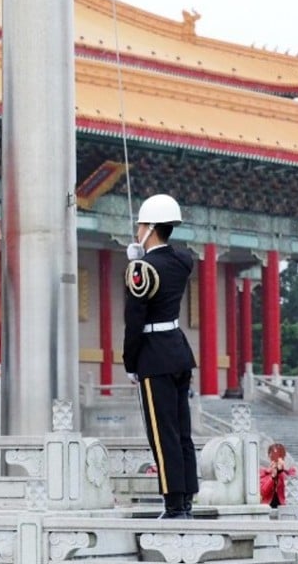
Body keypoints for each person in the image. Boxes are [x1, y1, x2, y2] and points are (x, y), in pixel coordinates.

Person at [121, 195, 198, 520]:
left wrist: (130, 362)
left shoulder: (141, 269)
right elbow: (173, 259)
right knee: (182, 431)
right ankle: (187, 498)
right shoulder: (182, 261)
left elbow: (134, 321)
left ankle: (173, 504)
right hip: (179, 351)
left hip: (154, 356)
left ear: (150, 227)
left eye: (140, 225)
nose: (137, 230)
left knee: (161, 432)